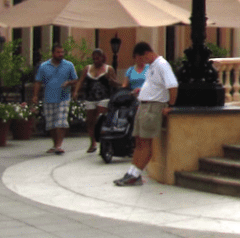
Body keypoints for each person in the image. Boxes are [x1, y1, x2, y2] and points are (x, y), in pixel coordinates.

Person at [114, 42, 177, 187]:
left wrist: (171, 106)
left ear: (146, 53)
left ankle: (136, 174)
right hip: (143, 105)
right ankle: (131, 172)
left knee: (145, 141)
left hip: (153, 107)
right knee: (139, 141)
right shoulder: (152, 66)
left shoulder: (162, 65)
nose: (140, 63)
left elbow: (173, 86)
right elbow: (154, 85)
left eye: (140, 59)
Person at [32, 44, 78, 155]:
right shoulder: (44, 66)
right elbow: (38, 82)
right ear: (53, 53)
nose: (60, 54)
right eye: (58, 52)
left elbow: (75, 80)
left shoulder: (69, 65)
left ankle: (59, 145)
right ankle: (55, 144)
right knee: (51, 124)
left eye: (62, 52)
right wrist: (35, 96)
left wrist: (70, 85)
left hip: (63, 97)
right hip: (49, 97)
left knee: (61, 122)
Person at [74, 48, 117, 153]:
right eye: (94, 57)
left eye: (98, 57)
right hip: (90, 97)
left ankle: (103, 140)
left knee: (100, 118)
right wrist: (76, 91)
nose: (96, 59)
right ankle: (92, 142)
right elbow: (81, 81)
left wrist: (110, 80)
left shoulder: (108, 69)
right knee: (90, 121)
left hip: (104, 97)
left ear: (103, 58)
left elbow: (115, 83)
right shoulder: (87, 68)